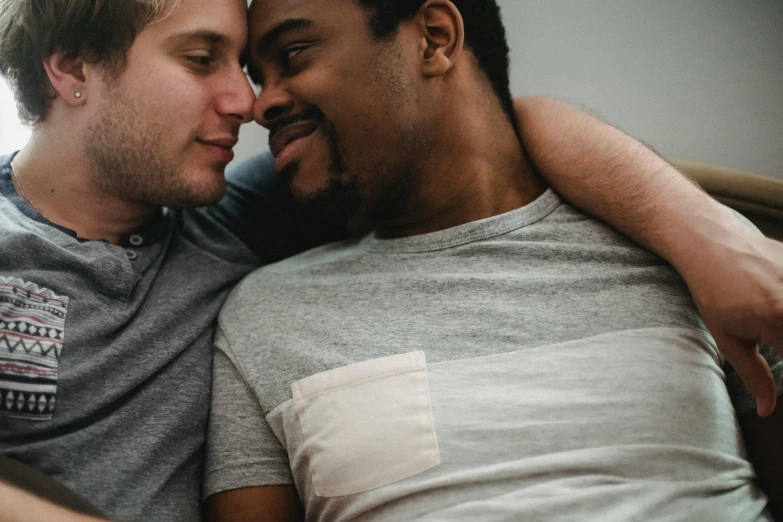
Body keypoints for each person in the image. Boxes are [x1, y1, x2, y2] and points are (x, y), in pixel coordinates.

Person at [0, 0, 782, 520]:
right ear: (69, 71)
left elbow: (506, 125)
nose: (248, 102)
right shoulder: (22, 245)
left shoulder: (221, 228)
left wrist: (705, 234)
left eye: (260, 65)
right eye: (202, 58)